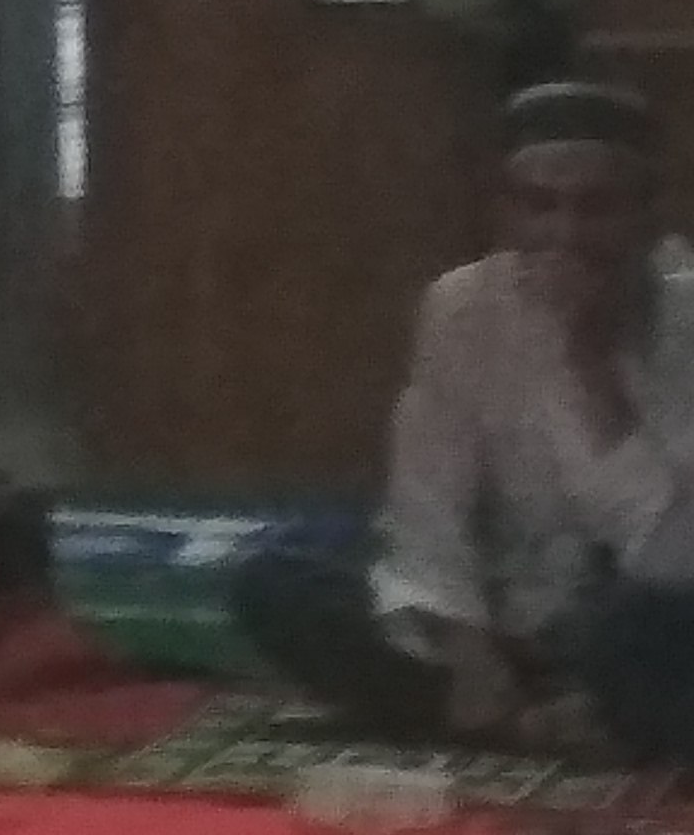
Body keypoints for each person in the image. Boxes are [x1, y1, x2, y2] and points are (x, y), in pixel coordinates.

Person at [235, 82, 694, 758]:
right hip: (511, 608)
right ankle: (549, 721)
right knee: (279, 577)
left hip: (642, 619)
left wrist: (591, 362)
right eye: (540, 206)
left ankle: (522, 721)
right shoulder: (462, 309)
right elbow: (427, 508)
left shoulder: (684, 317)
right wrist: (470, 652)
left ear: (648, 214)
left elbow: (668, 555)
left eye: (596, 208)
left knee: (644, 625)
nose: (565, 235)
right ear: (506, 213)